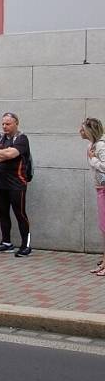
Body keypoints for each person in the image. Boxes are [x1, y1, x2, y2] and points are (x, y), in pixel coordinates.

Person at [0, 112, 33, 257]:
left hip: (17, 183)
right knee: (2, 213)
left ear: (16, 123)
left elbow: (11, 154)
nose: (5, 126)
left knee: (20, 214)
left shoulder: (21, 138)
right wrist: (3, 154)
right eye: (3, 124)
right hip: (0, 183)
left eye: (8, 124)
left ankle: (26, 245)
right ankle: (6, 242)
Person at [80, 118, 105, 275]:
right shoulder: (92, 145)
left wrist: (93, 159)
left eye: (83, 129)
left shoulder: (101, 146)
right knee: (103, 227)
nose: (80, 132)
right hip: (100, 188)